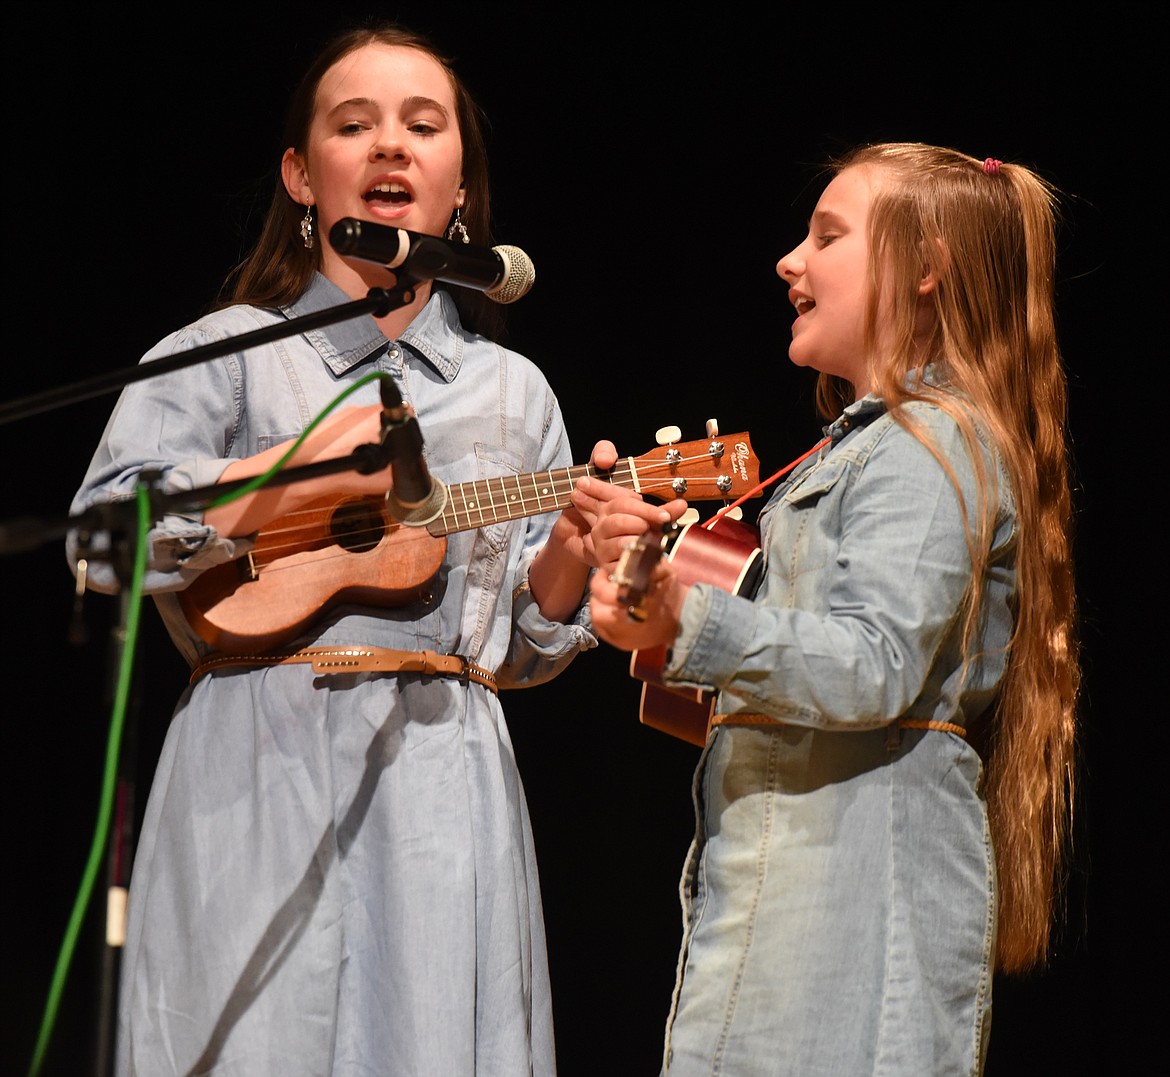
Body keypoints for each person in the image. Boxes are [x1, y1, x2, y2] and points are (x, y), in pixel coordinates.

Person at [70, 24, 617, 1076]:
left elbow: (522, 648)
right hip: (251, 761)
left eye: (422, 125)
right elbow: (105, 542)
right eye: (352, 125)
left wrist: (572, 557)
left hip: (440, 780)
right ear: (300, 176)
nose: (390, 149)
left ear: (461, 189)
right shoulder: (218, 355)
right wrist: (296, 472)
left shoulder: (513, 394)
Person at [580, 143, 1078, 1076]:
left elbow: (873, 661)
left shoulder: (931, 441)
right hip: (795, 897)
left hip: (853, 914)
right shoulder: (863, 450)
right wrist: (657, 582)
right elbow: (810, 671)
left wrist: (684, 620)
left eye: (827, 235)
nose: (789, 261)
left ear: (925, 266)